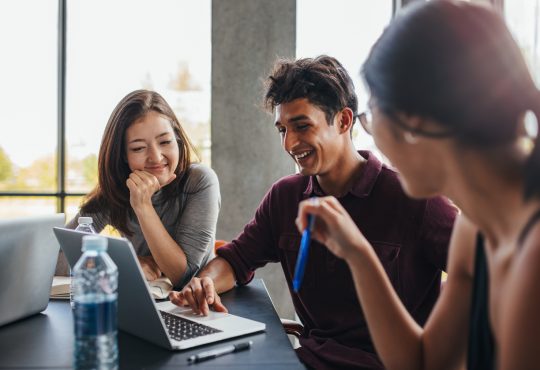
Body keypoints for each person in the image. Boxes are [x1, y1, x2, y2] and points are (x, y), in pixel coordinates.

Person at [170, 55, 457, 369]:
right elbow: (237, 259)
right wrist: (205, 282)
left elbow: (486, 278)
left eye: (302, 126)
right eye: (282, 130)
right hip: (306, 361)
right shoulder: (285, 197)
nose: (290, 143)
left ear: (344, 121)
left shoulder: (415, 200)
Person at [296, 1, 540, 369]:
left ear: (414, 123)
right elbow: (424, 362)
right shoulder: (475, 229)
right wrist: (359, 255)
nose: (373, 136)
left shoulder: (532, 251)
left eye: (373, 115)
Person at [56, 89, 220, 288]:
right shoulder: (116, 191)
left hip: (196, 307)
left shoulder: (199, 181)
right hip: (141, 301)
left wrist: (143, 206)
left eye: (165, 142)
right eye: (138, 148)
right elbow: (57, 258)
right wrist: (126, 263)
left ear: (177, 139)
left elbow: (182, 276)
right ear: (123, 155)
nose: (156, 157)